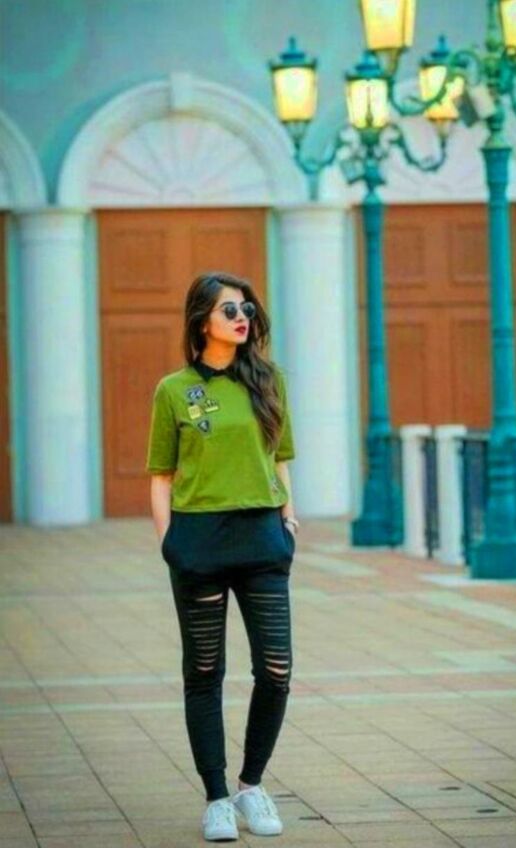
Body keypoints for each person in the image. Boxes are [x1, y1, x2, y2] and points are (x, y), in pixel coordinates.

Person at [145, 271, 299, 842]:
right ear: (202, 320)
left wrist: (289, 519)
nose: (242, 318)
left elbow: (279, 457)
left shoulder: (269, 381)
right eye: (229, 309)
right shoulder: (173, 390)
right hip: (199, 542)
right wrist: (170, 542)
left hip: (262, 539)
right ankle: (215, 798)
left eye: (247, 310)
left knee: (277, 670)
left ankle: (250, 786)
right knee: (205, 672)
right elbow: (161, 475)